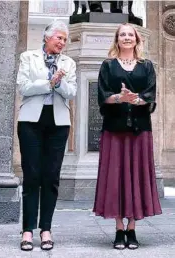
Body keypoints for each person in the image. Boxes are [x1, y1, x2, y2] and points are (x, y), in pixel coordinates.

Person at [93, 23, 162, 250]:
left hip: (140, 129)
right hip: (114, 128)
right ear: (117, 39)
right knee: (116, 177)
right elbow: (102, 94)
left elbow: (150, 94)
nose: (126, 38)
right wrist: (118, 98)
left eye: (130, 35)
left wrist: (136, 99)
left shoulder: (147, 65)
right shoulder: (108, 65)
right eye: (122, 34)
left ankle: (132, 227)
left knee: (136, 175)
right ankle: (118, 228)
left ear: (137, 39)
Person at [16, 20, 77, 251]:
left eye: (64, 39)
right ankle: (28, 230)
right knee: (32, 175)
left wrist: (59, 84)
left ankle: (46, 229)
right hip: (31, 121)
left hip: (58, 122)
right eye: (58, 38)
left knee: (51, 176)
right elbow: (24, 87)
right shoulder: (28, 57)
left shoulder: (68, 62)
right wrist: (48, 83)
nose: (62, 42)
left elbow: (71, 92)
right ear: (47, 37)